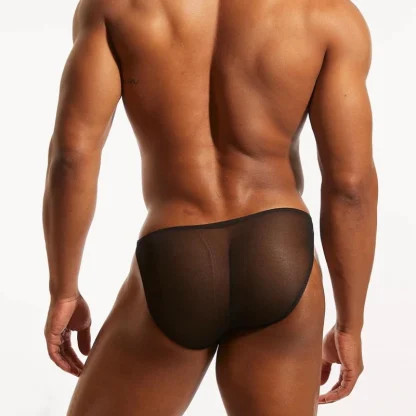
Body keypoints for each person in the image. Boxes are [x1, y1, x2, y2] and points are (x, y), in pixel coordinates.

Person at [42, 0, 378, 414]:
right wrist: (349, 324)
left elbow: (72, 157)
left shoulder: (115, 8)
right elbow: (350, 186)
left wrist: (63, 289)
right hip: (280, 250)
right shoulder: (327, 15)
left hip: (175, 253)